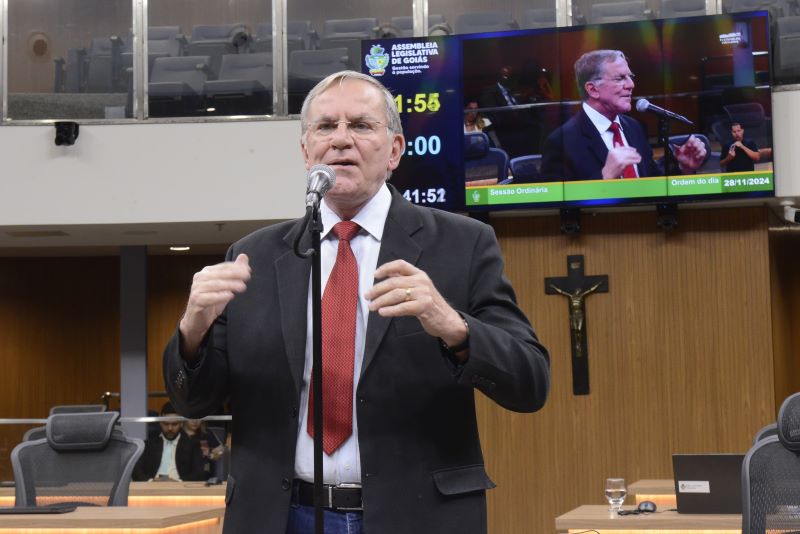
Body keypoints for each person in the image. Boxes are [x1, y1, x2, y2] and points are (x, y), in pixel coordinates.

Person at [163, 70, 550, 533]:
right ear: (306, 152)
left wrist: (453, 326)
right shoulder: (255, 257)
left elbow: (530, 383)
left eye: (361, 125)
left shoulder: (463, 244)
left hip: (417, 517)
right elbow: (193, 402)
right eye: (326, 126)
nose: (341, 140)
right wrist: (192, 331)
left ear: (395, 150)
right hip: (281, 517)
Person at [540, 49, 707, 181]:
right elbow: (556, 205)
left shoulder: (634, 127)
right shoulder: (561, 142)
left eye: (630, 77)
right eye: (620, 78)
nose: (631, 84)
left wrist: (684, 167)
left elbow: (651, 183)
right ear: (592, 89)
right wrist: (606, 177)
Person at [132, 402, 207, 482]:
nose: (170, 428)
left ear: (181, 423)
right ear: (160, 423)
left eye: (174, 424)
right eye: (166, 424)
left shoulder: (193, 445)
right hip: (152, 486)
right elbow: (136, 471)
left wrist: (178, 482)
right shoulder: (148, 445)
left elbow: (199, 473)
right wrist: (151, 481)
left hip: (181, 487)